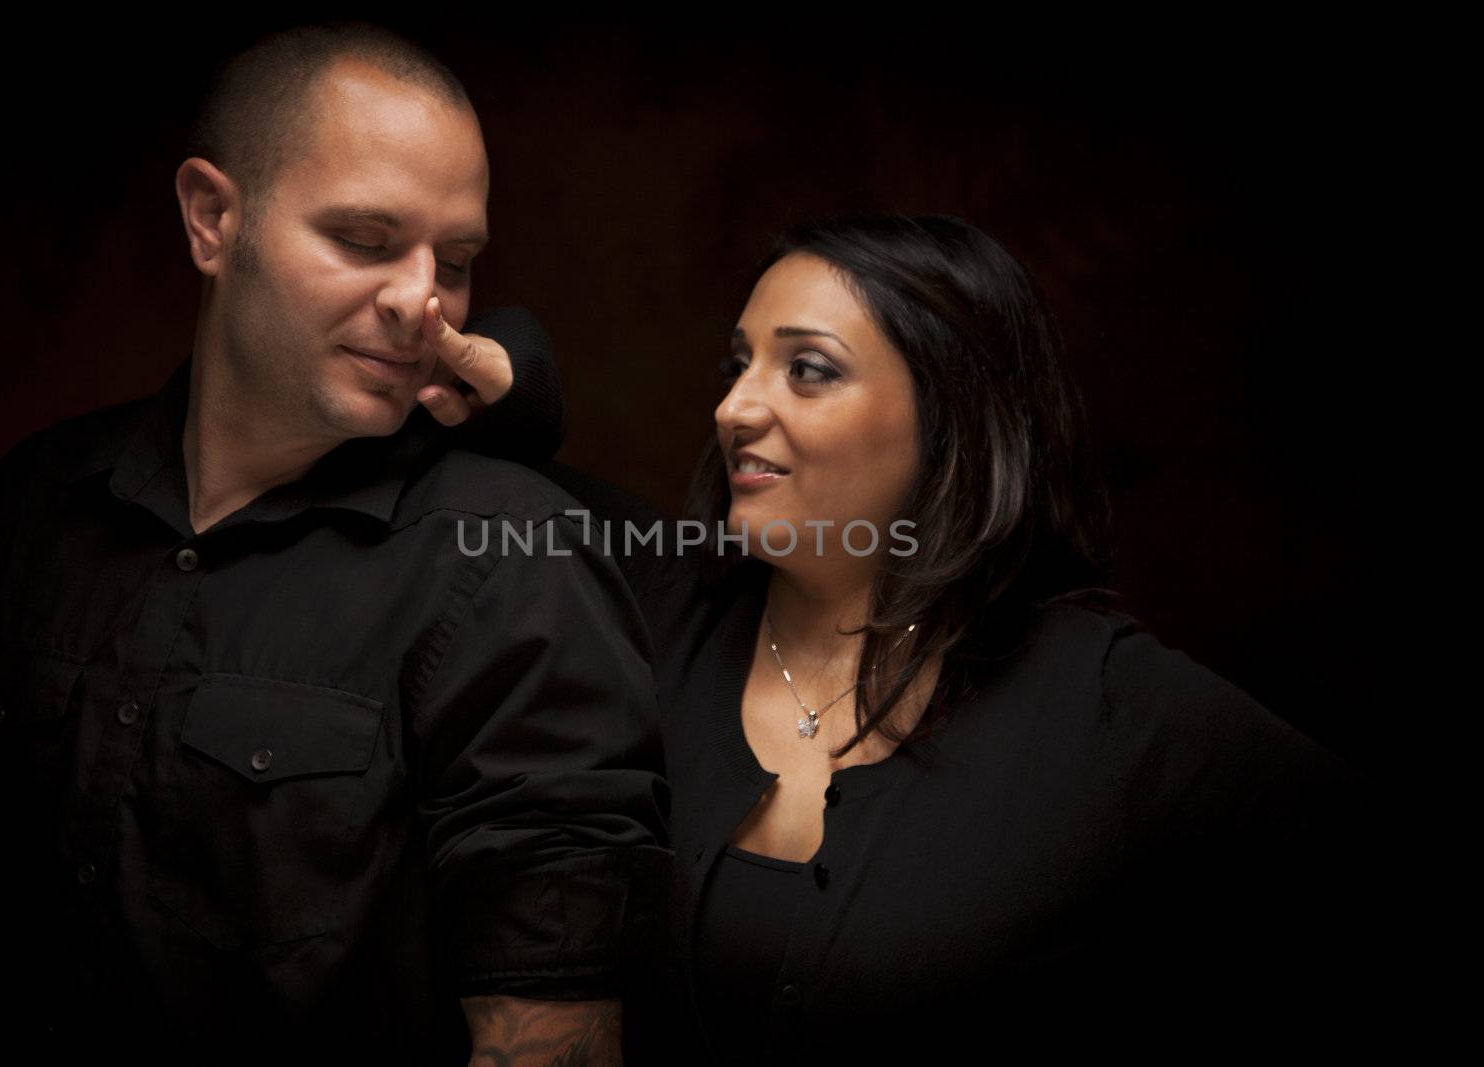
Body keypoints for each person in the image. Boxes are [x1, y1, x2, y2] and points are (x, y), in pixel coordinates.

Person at [505, 214, 1386, 1058]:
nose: (736, 406)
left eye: (807, 369)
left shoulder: (1102, 703)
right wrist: (516, 370)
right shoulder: (655, 592)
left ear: (948, 412)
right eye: (739, 365)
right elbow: (467, 429)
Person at [0, 23, 666, 1059]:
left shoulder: (511, 555)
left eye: (456, 261)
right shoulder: (37, 500)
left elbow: (550, 1036)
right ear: (211, 219)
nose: (421, 301)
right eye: (367, 240)